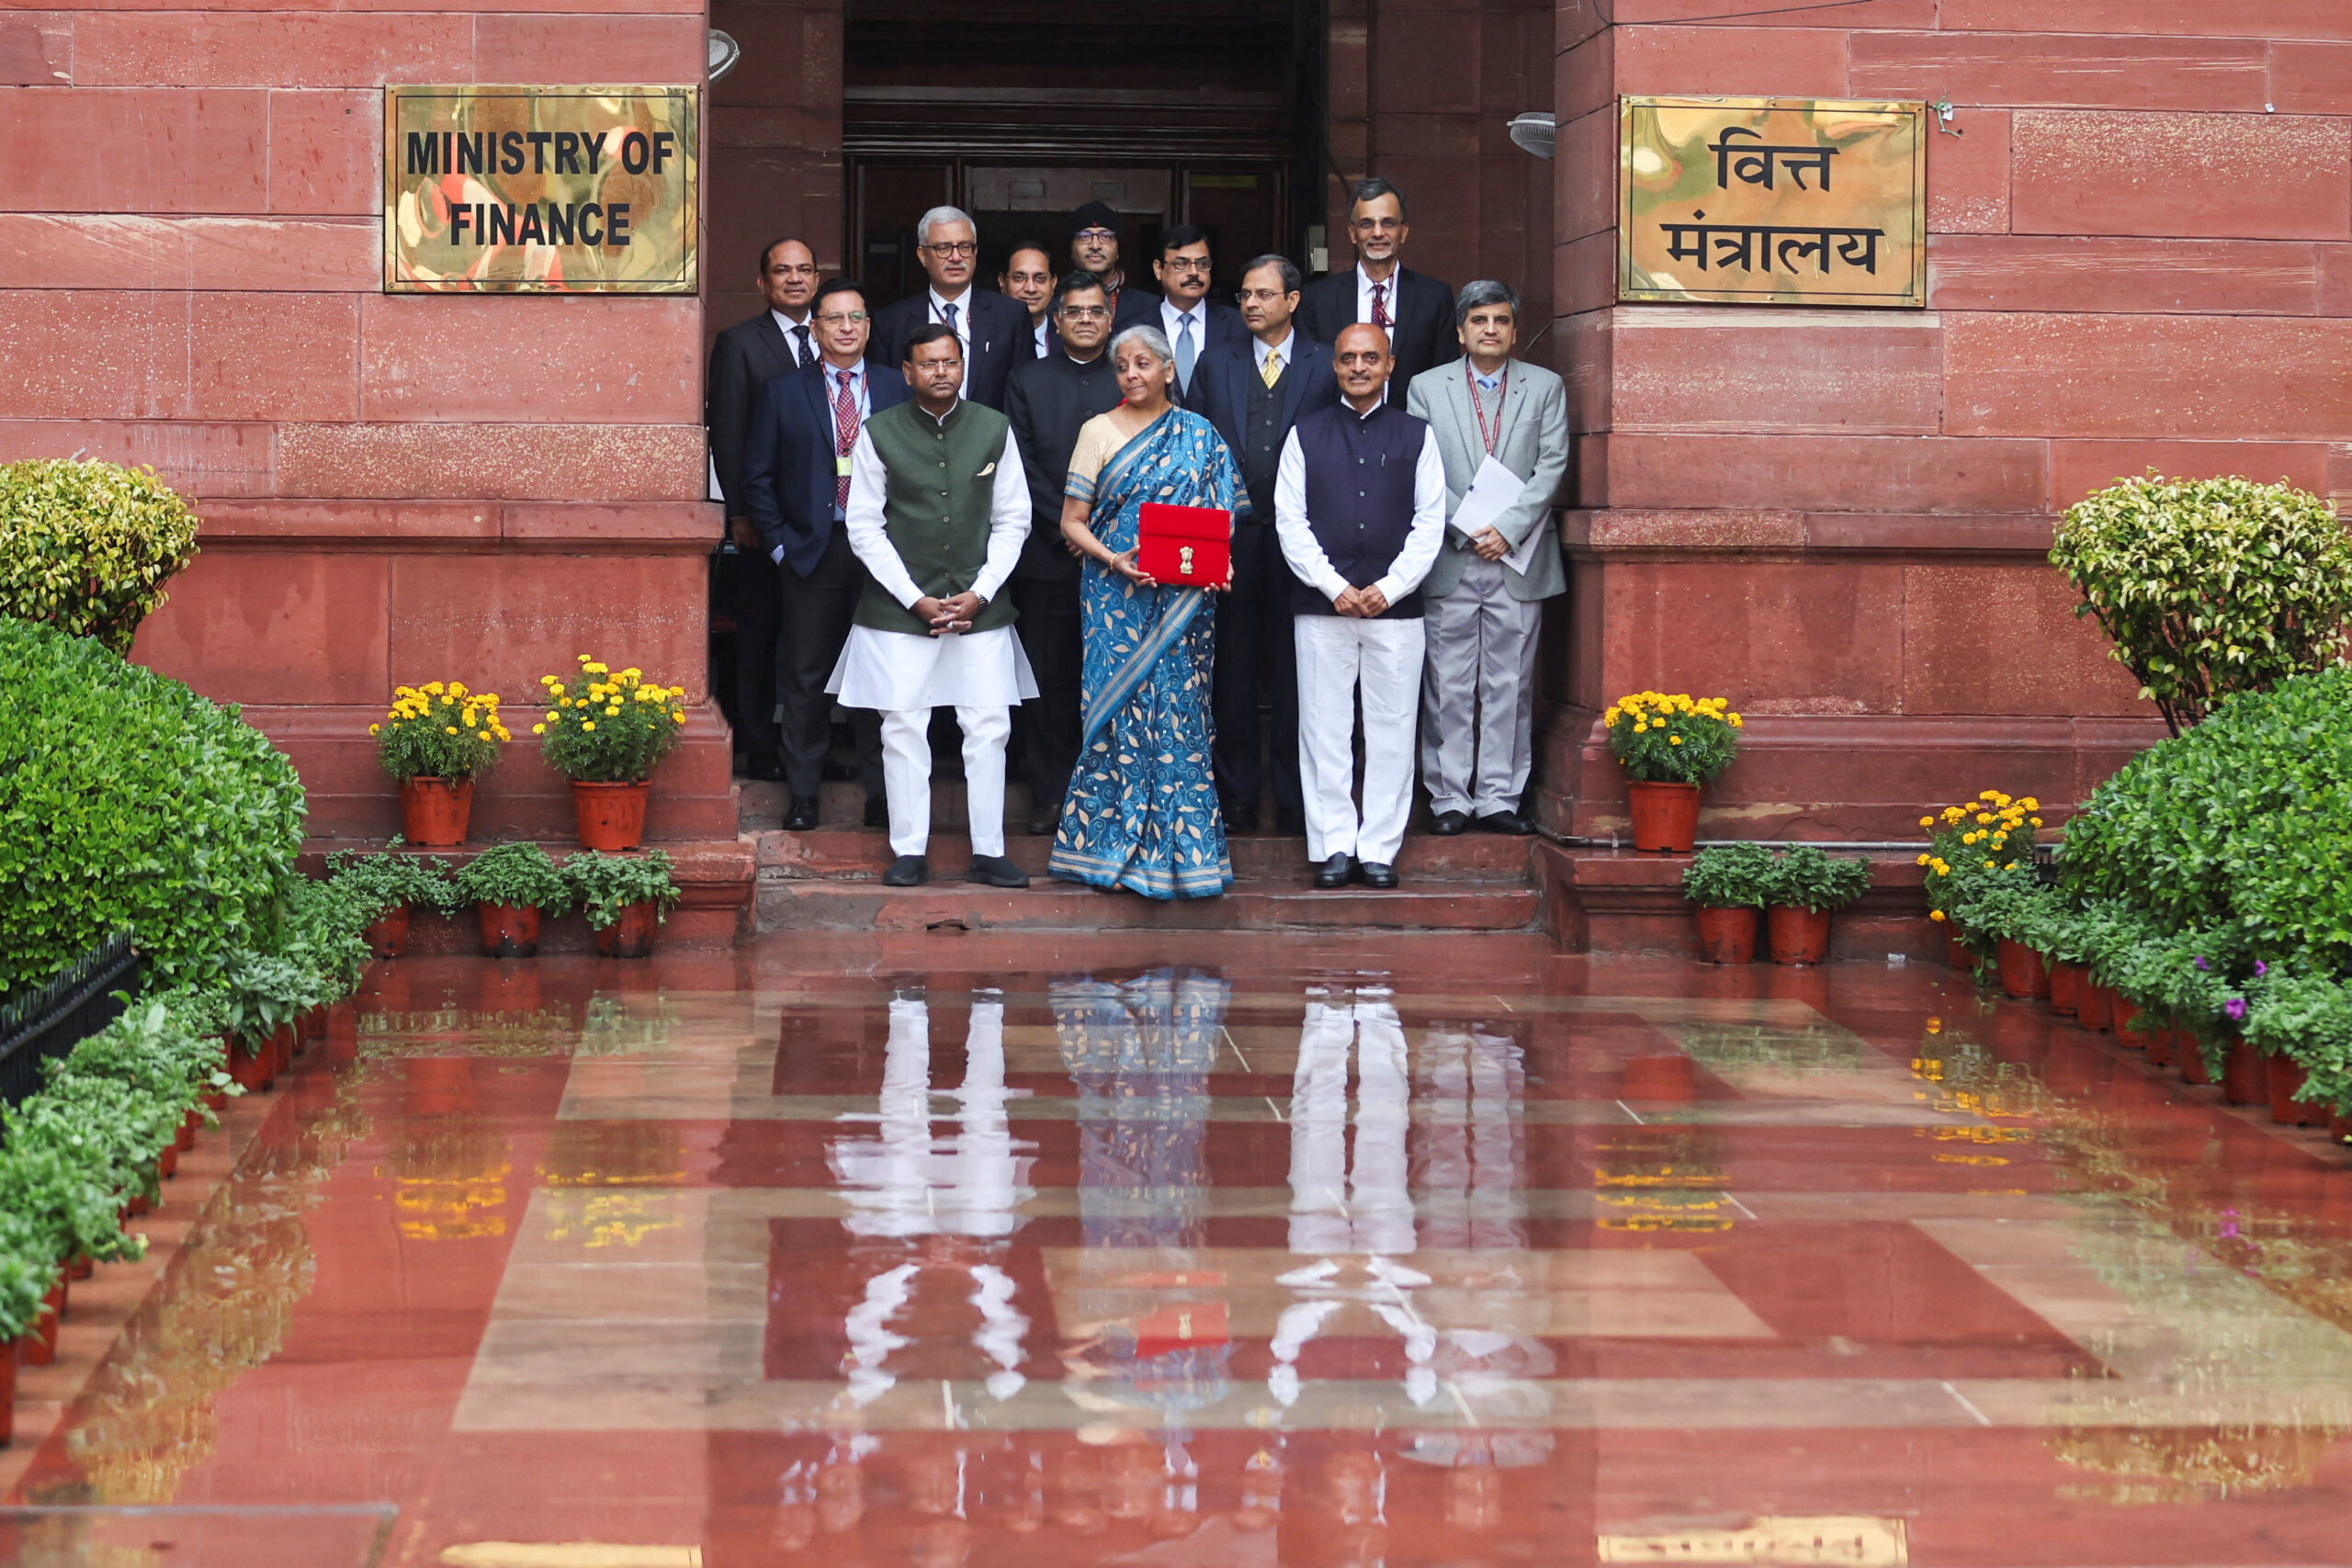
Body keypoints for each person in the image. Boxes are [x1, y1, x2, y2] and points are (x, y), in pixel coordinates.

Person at [831, 324, 1035, 889]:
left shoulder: (994, 429)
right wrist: (916, 599)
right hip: (900, 609)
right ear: (907, 371)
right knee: (902, 726)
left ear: (962, 365)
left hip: (982, 605)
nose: (941, 371)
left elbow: (1014, 518)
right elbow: (864, 525)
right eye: (929, 363)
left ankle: (989, 850)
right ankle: (908, 849)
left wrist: (984, 590)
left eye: (950, 361)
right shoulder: (878, 432)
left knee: (989, 724)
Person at [1049, 325, 1244, 900]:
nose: (1131, 375)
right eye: (1122, 366)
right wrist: (1114, 560)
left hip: (1185, 599)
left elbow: (1223, 515)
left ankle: (1187, 856)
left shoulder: (1200, 433)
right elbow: (1071, 522)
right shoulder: (1098, 431)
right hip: (1115, 596)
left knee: (1180, 713)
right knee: (1119, 712)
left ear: (1167, 369)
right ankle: (1107, 848)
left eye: (1143, 364)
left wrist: (1220, 563)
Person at [1275, 322, 1446, 890]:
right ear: (1335, 366)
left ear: (1390, 365)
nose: (1358, 367)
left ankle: (1378, 849)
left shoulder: (1418, 436)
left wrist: (1390, 587)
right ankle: (1332, 846)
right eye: (1347, 357)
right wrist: (1333, 586)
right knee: (1324, 728)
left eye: (1370, 357)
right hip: (1324, 605)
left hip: (1395, 610)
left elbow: (1430, 524)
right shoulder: (1305, 433)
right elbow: (1290, 522)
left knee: (1393, 728)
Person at [1407, 280, 1569, 838]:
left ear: (1515, 330)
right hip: (1453, 554)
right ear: (1461, 331)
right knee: (1448, 682)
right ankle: (1449, 796)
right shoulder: (1426, 388)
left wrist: (1506, 529)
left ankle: (1499, 796)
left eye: (1501, 320)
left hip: (1517, 558)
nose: (1491, 329)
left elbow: (1552, 465)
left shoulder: (1545, 387)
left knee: (1510, 683)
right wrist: (1470, 526)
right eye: (1480, 321)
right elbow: (1421, 466)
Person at [741, 276, 903, 831]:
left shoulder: (896, 386)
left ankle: (884, 792)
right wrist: (782, 546)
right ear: (815, 329)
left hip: (884, 552)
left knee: (882, 673)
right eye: (834, 318)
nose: (847, 327)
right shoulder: (786, 391)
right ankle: (804, 792)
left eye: (856, 317)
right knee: (806, 677)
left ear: (868, 325)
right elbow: (757, 477)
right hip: (814, 549)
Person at [1188, 254, 1339, 832]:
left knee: (1301, 668)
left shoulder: (1326, 363)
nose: (1250, 304)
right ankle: (1237, 797)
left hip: (1307, 542)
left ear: (1292, 301)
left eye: (1263, 295)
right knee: (1233, 668)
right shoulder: (1215, 362)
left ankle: (1299, 800)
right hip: (1231, 541)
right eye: (1245, 295)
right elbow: (1198, 449)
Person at [1003, 271, 1123, 837]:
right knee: (1049, 681)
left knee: (1112, 679)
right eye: (1073, 310)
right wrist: (1071, 535)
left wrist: (1108, 541)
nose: (1083, 319)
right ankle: (1050, 794)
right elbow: (1021, 467)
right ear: (1056, 319)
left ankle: (1109, 793)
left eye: (1095, 311)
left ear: (1110, 318)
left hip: (1123, 564)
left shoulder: (1134, 379)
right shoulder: (1027, 379)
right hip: (1048, 559)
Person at [707, 237, 823, 778]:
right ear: (763, 283)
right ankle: (757, 743)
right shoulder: (739, 343)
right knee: (760, 630)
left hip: (828, 519)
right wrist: (740, 515)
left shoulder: (839, 337)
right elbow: (728, 434)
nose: (795, 279)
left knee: (816, 636)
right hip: (764, 519)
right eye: (783, 270)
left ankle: (812, 745)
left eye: (804, 270)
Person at [1295, 177, 1458, 391]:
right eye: (1367, 224)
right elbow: (1307, 379)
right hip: (1336, 423)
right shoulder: (1316, 299)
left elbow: (1445, 379)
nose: (1378, 233)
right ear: (1352, 233)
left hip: (1410, 421)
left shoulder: (1435, 298)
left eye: (1388, 223)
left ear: (1404, 231)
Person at [868, 206, 1033, 410]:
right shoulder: (890, 322)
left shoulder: (1010, 316)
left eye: (965, 247)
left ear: (975, 252)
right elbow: (885, 399)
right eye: (943, 248)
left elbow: (1025, 397)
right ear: (922, 255)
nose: (956, 257)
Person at [1148, 223, 1245, 401]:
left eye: (1202, 264)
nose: (1194, 273)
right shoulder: (1136, 327)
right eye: (1181, 264)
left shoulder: (1238, 326)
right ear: (1158, 269)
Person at [1067, 201, 1136, 321]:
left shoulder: (1147, 306)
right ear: (1071, 250)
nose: (1095, 245)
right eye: (1084, 236)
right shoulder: (1054, 304)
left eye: (1106, 236)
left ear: (1118, 251)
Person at [999, 243, 1057, 359]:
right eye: (1019, 277)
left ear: (1053, 283)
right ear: (1002, 282)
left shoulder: (1068, 337)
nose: (1031, 289)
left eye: (1040, 278)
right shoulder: (984, 337)